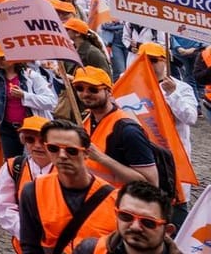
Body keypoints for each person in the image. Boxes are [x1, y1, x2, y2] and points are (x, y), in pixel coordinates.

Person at [16, 120, 119, 254]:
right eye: (53, 148)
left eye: (71, 151)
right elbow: (30, 246)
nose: (62, 156)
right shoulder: (33, 191)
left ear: (86, 153)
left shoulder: (114, 199)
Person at [68, 68, 158, 187]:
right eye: (79, 88)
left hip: (119, 202)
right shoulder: (85, 120)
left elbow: (151, 183)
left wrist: (101, 158)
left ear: (109, 91)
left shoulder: (128, 131)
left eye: (93, 89)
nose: (85, 94)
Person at [72, 181, 174, 254]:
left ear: (167, 231)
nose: (135, 227)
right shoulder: (90, 250)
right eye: (126, 216)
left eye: (148, 222)